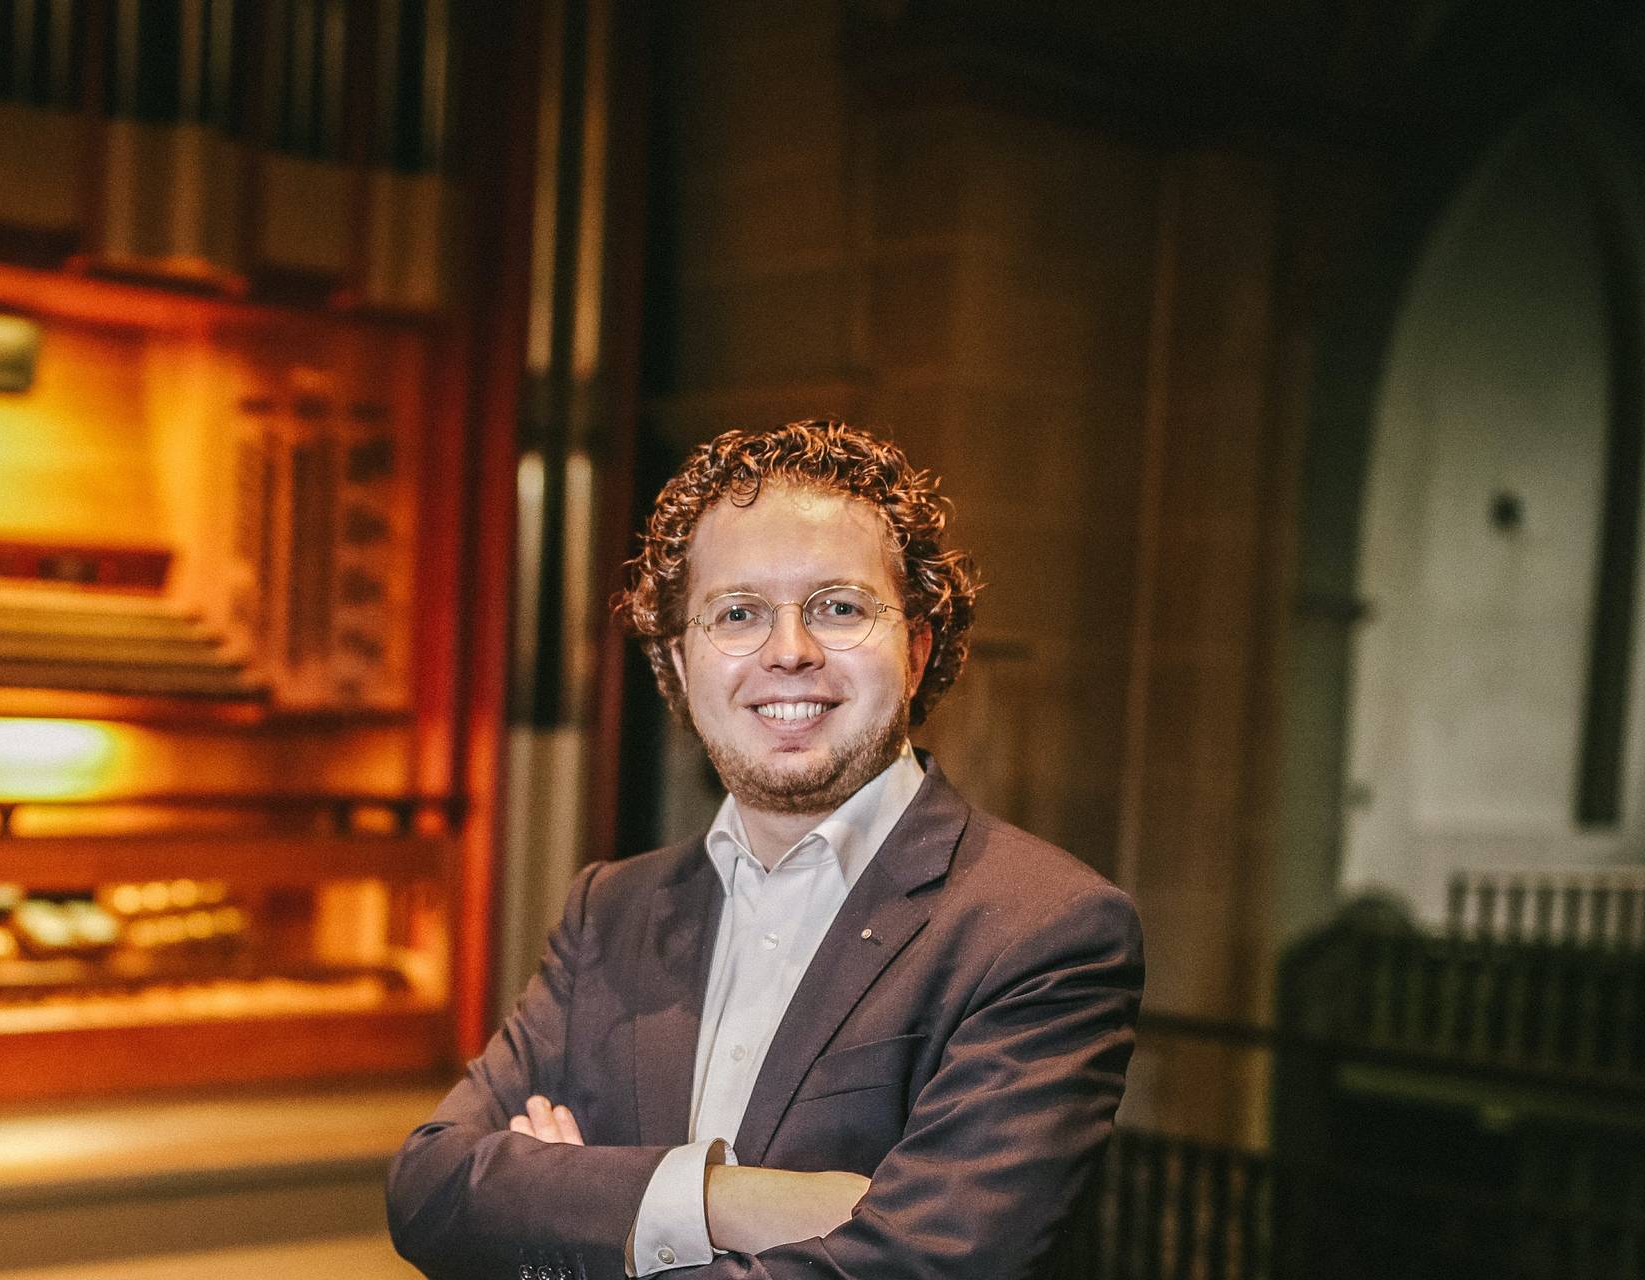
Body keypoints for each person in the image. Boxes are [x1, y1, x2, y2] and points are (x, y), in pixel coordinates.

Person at [387, 420, 1143, 1279]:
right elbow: (429, 1186)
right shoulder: (612, 907)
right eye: (738, 613)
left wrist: (573, 1205)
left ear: (916, 648)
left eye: (840, 607)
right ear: (679, 659)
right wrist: (714, 1198)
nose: (789, 651)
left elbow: (917, 1270)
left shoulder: (1042, 929)